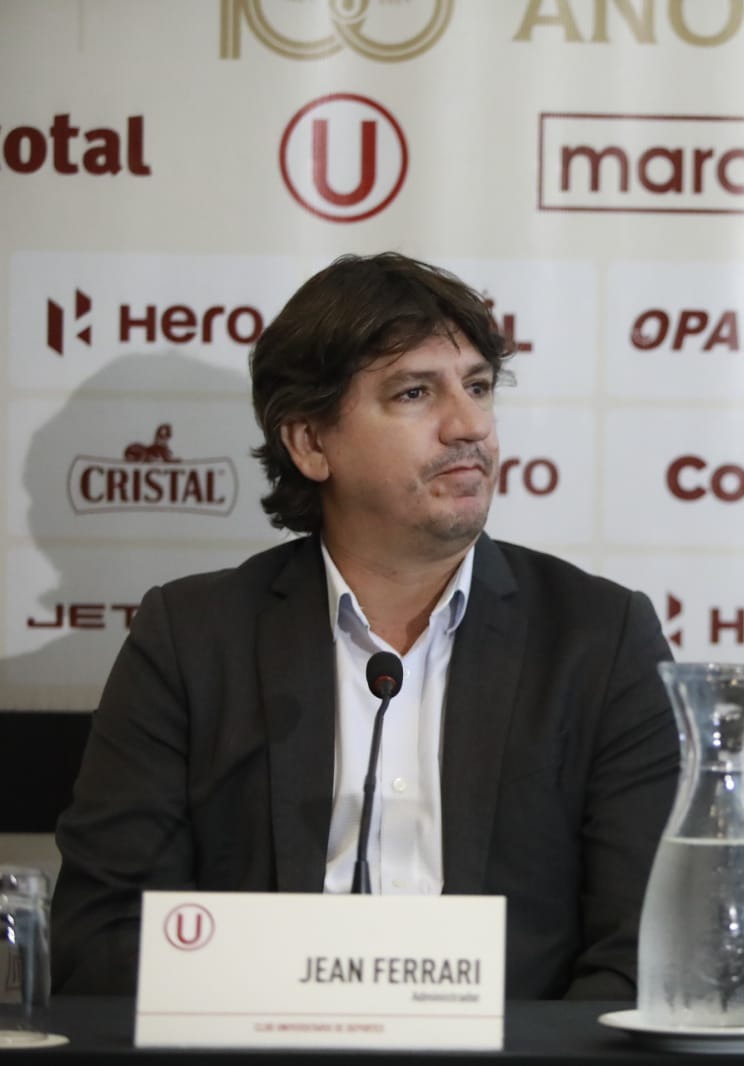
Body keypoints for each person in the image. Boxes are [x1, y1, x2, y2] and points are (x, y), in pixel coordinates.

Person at [52, 253, 679, 999]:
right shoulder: (191, 639)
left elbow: (649, 945)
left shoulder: (599, 638)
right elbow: (103, 937)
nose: (469, 425)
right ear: (311, 443)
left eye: (478, 387)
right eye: (415, 392)